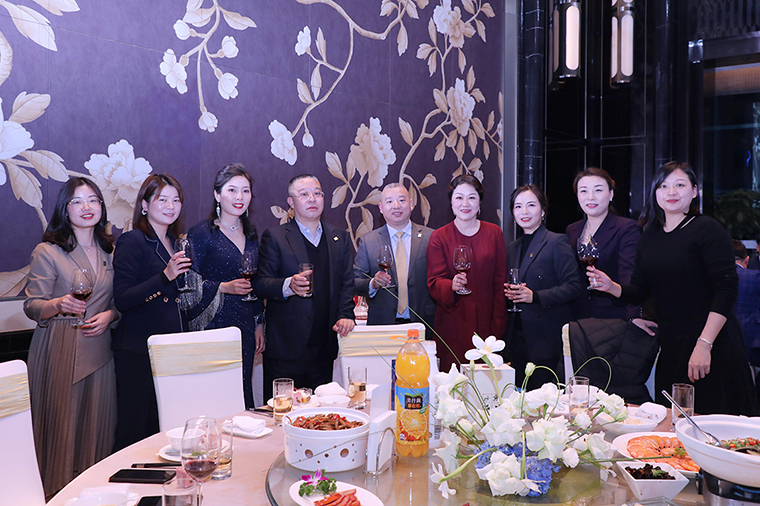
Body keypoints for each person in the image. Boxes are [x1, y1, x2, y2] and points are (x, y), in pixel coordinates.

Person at [588, 162, 760, 415]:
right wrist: (611, 286)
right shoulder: (649, 235)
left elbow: (726, 291)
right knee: (673, 423)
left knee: (714, 425)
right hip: (672, 345)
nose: (671, 192)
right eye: (664, 186)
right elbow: (640, 291)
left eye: (680, 185)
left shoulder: (707, 229)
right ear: (655, 193)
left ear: (694, 191)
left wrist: (704, 344)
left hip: (713, 343)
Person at [24, 178, 119, 496]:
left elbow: (119, 302)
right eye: (77, 201)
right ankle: (55, 495)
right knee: (61, 431)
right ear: (65, 209)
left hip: (100, 349)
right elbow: (32, 305)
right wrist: (58, 304)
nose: (87, 207)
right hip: (60, 348)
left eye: (93, 200)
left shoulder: (111, 250)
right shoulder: (48, 251)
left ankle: (93, 495)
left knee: (98, 428)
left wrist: (110, 315)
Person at [254, 174, 355, 401]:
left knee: (320, 413)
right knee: (282, 412)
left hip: (323, 347)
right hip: (286, 349)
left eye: (317, 193)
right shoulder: (276, 237)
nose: (312, 199)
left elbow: (346, 283)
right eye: (304, 194)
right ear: (291, 202)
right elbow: (260, 284)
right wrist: (288, 285)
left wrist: (345, 314)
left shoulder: (339, 237)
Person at [112, 174, 191, 450]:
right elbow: (122, 299)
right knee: (134, 430)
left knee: (163, 429)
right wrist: (164, 276)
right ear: (145, 205)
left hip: (170, 349)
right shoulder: (133, 241)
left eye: (176, 200)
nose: (171, 206)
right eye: (162, 199)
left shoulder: (175, 242)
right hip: (138, 350)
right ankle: (126, 478)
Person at [184, 164, 265, 409]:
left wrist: (259, 323)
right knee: (216, 394)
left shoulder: (252, 233)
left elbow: (256, 282)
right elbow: (187, 285)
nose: (239, 197)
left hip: (245, 323)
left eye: (245, 191)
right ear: (217, 195)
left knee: (242, 387)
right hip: (214, 323)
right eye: (232, 190)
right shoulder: (201, 233)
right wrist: (222, 287)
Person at [505, 184, 583, 388]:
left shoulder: (556, 242)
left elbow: (574, 286)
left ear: (543, 210)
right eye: (518, 206)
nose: (524, 211)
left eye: (531, 205)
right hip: (517, 337)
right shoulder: (512, 247)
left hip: (545, 339)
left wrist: (536, 296)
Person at [427, 175, 508, 371]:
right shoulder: (439, 236)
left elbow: (500, 282)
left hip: (488, 322)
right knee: (453, 380)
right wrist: (451, 286)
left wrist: (499, 325)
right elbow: (434, 282)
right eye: (459, 198)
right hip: (452, 321)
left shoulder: (494, 233)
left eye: (471, 197)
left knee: (486, 381)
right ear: (451, 203)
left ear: (479, 202)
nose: (465, 203)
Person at [353, 183, 436, 326]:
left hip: (423, 323)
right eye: (389, 201)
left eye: (402, 200)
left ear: (411, 204)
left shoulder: (431, 237)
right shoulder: (368, 241)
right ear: (381, 208)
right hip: (383, 324)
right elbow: (354, 281)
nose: (396, 206)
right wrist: (373, 284)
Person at [565, 167, 641, 320]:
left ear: (611, 194)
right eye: (584, 191)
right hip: (578, 314)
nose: (590, 197)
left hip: (613, 315)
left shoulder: (626, 228)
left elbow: (629, 278)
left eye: (598, 190)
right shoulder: (572, 229)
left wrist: (633, 318)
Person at [732, 240, 760, 371]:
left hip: (719, 338)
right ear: (747, 260)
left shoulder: (711, 278)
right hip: (752, 340)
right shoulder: (755, 277)